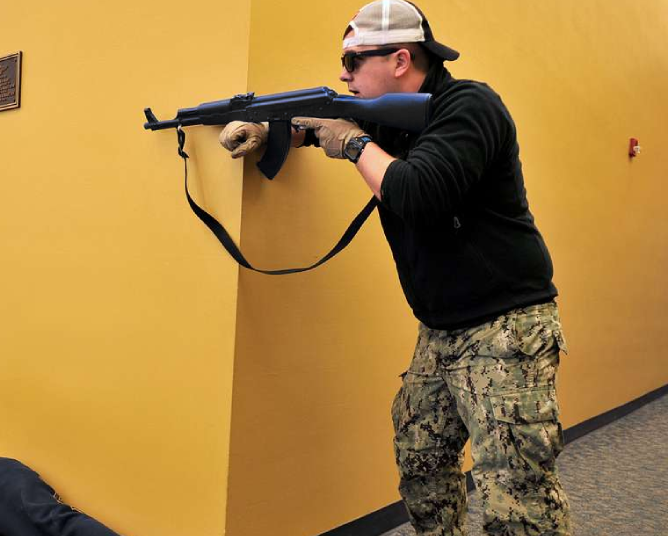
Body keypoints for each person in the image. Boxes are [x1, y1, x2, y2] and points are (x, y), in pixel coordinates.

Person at [219, 1, 571, 535]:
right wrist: (275, 132)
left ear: (401, 59)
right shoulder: (386, 113)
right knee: (421, 460)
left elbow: (418, 192)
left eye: (353, 61)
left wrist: (353, 142)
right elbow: (315, 125)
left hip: (507, 325)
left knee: (517, 492)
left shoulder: (469, 107)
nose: (343, 73)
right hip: (440, 327)